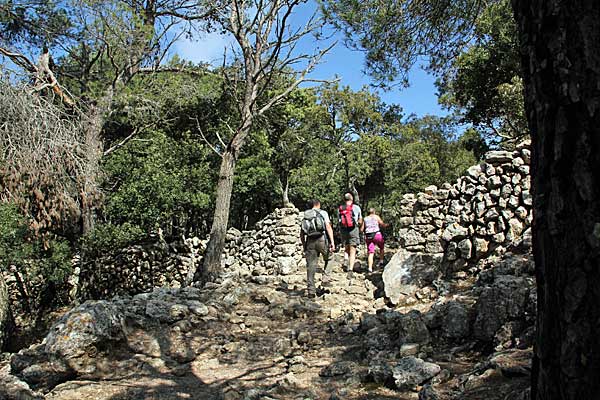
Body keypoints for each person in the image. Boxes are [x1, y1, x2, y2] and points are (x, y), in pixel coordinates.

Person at [300, 199, 335, 298]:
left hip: (310, 241)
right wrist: (332, 242)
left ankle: (311, 291)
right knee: (330, 258)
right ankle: (325, 279)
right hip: (322, 240)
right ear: (318, 204)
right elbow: (328, 227)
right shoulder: (323, 213)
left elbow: (302, 234)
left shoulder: (305, 215)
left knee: (311, 266)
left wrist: (304, 246)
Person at [338, 192, 363, 277]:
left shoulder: (340, 208)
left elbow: (339, 221)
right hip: (353, 229)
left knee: (346, 246)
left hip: (344, 230)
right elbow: (360, 220)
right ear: (352, 199)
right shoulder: (356, 207)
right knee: (353, 250)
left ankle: (345, 259)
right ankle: (350, 270)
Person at [362, 207, 389, 272]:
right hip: (377, 234)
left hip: (369, 236)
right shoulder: (376, 217)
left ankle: (370, 268)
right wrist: (387, 225)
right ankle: (381, 262)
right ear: (374, 212)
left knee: (371, 252)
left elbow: (362, 229)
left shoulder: (365, 219)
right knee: (381, 247)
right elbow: (382, 224)